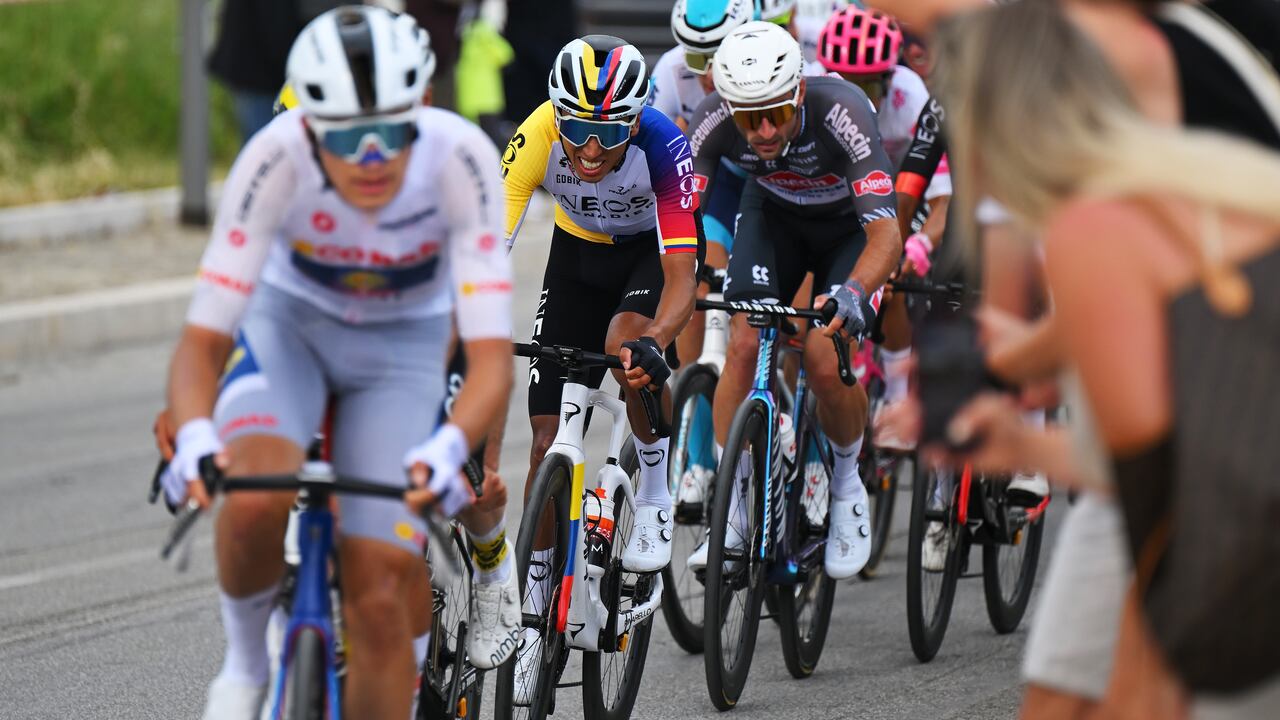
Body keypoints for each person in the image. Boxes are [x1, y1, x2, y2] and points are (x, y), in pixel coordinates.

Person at [159, 7, 519, 718]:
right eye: (348, 137)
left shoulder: (462, 159)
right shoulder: (273, 156)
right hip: (291, 333)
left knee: (383, 584)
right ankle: (243, 666)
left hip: (403, 351)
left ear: (422, 105)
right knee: (254, 495)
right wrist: (197, 432)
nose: (372, 156)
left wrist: (451, 446)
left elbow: (488, 358)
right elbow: (203, 340)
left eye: (391, 131)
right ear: (307, 126)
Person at [928, 1, 1280, 716]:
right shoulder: (1190, 184)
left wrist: (1142, 685)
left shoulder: (1099, 230)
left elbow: (1167, 503)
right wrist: (1025, 438)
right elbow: (1166, 457)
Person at [499, 34, 703, 702]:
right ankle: (533, 614)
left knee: (625, 343)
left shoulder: (665, 145)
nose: (590, 151)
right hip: (575, 258)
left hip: (647, 260)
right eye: (578, 130)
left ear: (634, 121)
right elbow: (486, 252)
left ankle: (651, 490)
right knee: (541, 440)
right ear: (559, 117)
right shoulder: (535, 135)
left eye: (608, 134)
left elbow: (682, 271)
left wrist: (659, 339)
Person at [684, 21, 903, 579]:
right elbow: (683, 217)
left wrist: (855, 292)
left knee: (824, 360)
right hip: (774, 216)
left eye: (775, 115)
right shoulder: (714, 115)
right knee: (741, 342)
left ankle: (849, 483)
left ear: (799, 93)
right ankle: (732, 512)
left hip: (847, 229)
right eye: (746, 118)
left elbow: (885, 236)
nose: (759, 132)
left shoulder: (843, 110)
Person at [815, 5, 953, 435]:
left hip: (906, 197)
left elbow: (943, 200)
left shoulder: (910, 96)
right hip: (845, 200)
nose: (857, 94)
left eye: (869, 84)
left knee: (889, 280)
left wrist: (917, 244)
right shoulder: (816, 94)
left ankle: (896, 391)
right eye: (846, 82)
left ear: (889, 78)